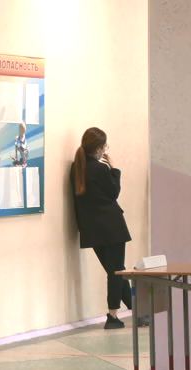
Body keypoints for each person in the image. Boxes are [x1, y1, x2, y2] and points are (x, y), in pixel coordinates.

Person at [71, 127, 133, 329]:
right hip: (112, 228)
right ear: (99, 148)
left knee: (116, 271)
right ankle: (113, 315)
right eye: (104, 146)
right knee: (117, 272)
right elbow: (114, 192)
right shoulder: (100, 169)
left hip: (93, 231)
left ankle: (137, 309)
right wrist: (114, 169)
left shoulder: (76, 168)